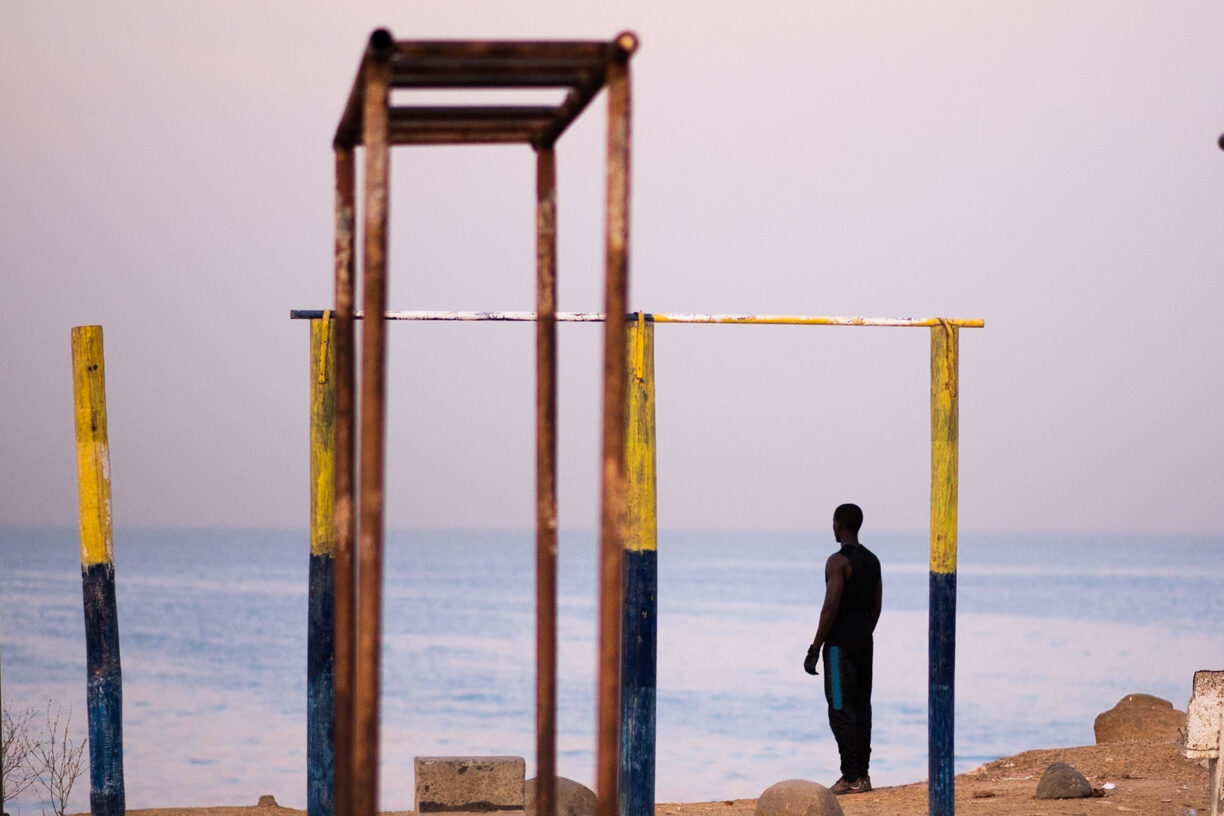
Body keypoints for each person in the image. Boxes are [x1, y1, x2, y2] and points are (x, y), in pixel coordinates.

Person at [803, 502, 882, 795]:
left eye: (833, 523)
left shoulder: (837, 562)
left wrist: (814, 648)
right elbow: (876, 607)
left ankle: (850, 776)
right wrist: (862, 634)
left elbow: (830, 607)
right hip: (864, 643)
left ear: (839, 524)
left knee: (839, 707)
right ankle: (862, 775)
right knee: (862, 707)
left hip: (838, 648)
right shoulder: (873, 561)